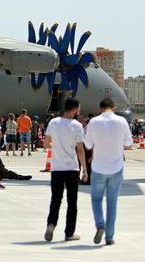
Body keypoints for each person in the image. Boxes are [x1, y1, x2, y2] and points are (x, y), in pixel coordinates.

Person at [84, 98, 133, 246]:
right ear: (114, 107)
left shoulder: (93, 122)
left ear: (100, 108)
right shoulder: (122, 121)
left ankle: (100, 224)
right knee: (112, 203)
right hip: (116, 168)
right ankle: (109, 237)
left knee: (96, 200)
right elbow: (129, 143)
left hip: (98, 167)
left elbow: (87, 144)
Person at [43, 97, 87, 242]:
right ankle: (69, 233)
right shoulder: (77, 125)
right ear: (74, 109)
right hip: (72, 168)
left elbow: (45, 144)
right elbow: (80, 149)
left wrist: (56, 146)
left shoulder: (53, 122)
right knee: (72, 203)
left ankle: (51, 224)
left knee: (55, 200)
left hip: (56, 167)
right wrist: (85, 170)